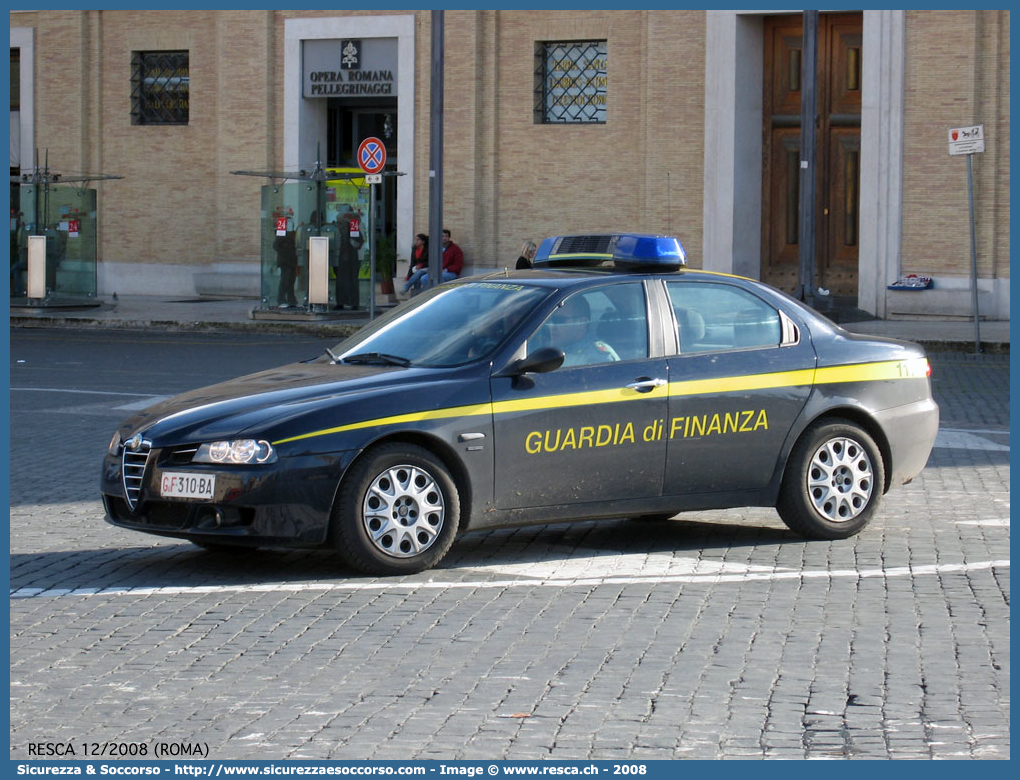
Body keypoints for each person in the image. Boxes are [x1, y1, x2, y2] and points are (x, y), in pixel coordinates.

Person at [540, 293, 620, 367]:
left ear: (581, 323)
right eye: (550, 320)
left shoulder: (596, 357)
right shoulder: (548, 346)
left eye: (559, 320)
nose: (551, 326)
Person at [334, 207, 364, 309]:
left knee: (350, 280)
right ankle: (343, 302)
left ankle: (351, 303)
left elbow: (359, 240)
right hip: (344, 256)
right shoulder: (344, 226)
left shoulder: (352, 225)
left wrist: (351, 245)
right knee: (343, 280)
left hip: (350, 256)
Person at [273, 227, 298, 307]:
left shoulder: (290, 235)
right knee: (285, 281)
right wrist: (285, 250)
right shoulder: (282, 235)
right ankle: (282, 299)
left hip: (291, 260)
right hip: (285, 261)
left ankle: (291, 299)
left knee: (291, 280)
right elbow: (276, 246)